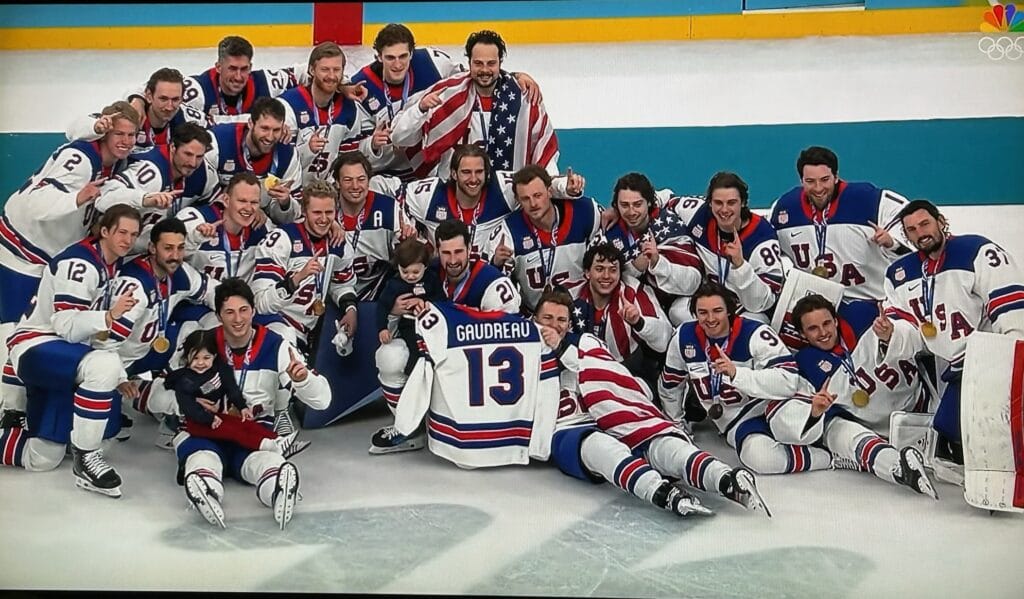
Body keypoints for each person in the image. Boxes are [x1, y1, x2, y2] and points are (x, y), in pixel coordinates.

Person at [538, 288, 769, 517]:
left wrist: (561, 347)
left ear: (570, 324)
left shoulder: (584, 343)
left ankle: (725, 478)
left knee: (663, 445)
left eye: (561, 320)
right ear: (534, 319)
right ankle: (661, 492)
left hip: (613, 413)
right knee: (600, 447)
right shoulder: (520, 352)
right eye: (547, 318)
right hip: (568, 427)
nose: (555, 325)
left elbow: (602, 370)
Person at [0, 206, 141, 498]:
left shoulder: (111, 265)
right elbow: (65, 325)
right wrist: (108, 316)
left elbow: (96, 337)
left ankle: (64, 444)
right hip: (38, 345)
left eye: (134, 234)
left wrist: (120, 373)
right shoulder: (81, 263)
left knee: (43, 458)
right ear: (104, 231)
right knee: (101, 366)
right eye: (122, 232)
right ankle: (85, 459)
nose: (128, 240)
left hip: (66, 359)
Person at [174, 278, 331, 530]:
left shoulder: (276, 346)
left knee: (268, 463)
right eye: (229, 312)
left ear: (254, 311)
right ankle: (206, 489)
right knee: (202, 458)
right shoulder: (200, 343)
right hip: (205, 432)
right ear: (218, 315)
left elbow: (323, 401)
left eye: (244, 310)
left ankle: (278, 490)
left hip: (251, 434)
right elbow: (168, 382)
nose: (238, 319)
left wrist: (302, 381)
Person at [884, 199, 1024, 469]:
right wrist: (890, 333)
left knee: (975, 428)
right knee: (949, 433)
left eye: (925, 224)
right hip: (950, 369)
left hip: (988, 358)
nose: (920, 233)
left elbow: (1009, 302)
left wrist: (1013, 356)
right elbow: (909, 331)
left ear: (940, 221)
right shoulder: (899, 274)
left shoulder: (975, 250)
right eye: (911, 229)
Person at [371, 218, 521, 454]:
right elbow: (392, 317)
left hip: (478, 373)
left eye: (459, 252)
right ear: (436, 250)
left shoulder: (492, 282)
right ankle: (409, 428)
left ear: (470, 249)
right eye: (446, 252)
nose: (452, 260)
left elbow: (511, 337)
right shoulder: (426, 270)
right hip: (436, 359)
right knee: (389, 356)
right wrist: (393, 311)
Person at [659, 282, 837, 476]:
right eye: (703, 312)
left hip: (777, 403)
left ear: (729, 310)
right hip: (738, 422)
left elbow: (787, 381)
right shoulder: (684, 338)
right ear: (695, 313)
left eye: (717, 310)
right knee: (759, 459)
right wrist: (676, 424)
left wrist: (737, 374)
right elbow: (671, 384)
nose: (710, 319)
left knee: (791, 427)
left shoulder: (755, 332)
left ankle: (828, 438)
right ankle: (829, 458)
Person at [0, 102, 139, 332]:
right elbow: (35, 202)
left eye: (131, 135)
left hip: (49, 257)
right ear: (105, 133)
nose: (126, 141)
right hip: (21, 253)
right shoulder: (80, 159)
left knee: (40, 330)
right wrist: (77, 198)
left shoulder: (117, 164)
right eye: (119, 134)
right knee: (13, 331)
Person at [352, 23, 541, 181]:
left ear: (412, 53)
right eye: (390, 58)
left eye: (403, 56)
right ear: (378, 56)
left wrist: (514, 76)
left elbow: (476, 73)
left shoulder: (432, 62)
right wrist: (373, 145)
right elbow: (354, 149)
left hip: (421, 170)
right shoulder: (361, 87)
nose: (398, 64)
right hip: (383, 171)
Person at [390, 300, 562, 468]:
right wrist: (540, 446)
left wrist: (404, 425)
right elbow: (548, 390)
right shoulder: (537, 335)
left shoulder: (440, 321)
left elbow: (422, 375)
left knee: (390, 358)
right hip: (512, 443)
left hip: (458, 443)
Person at [770, 146, 912, 326]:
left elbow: (917, 230)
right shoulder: (784, 208)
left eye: (825, 179)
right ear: (801, 180)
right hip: (817, 308)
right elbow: (766, 246)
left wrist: (892, 242)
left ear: (836, 176)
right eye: (810, 181)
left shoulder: (869, 199)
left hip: (870, 303)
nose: (818, 188)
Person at [374, 144, 584, 263]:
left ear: (487, 173)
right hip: (442, 274)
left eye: (478, 172)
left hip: (486, 274)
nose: (473, 179)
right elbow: (388, 188)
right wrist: (403, 223)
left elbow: (537, 183)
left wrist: (567, 187)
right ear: (453, 173)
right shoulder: (429, 194)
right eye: (466, 172)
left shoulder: (503, 188)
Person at [251, 180, 358, 354]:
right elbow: (261, 303)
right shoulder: (282, 239)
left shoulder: (339, 243)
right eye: (317, 212)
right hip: (272, 324)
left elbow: (342, 283)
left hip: (304, 331)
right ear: (304, 211)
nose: (324, 219)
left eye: (329, 212)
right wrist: (298, 277)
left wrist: (350, 309)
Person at [163, 329, 307, 456]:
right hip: (199, 423)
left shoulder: (219, 368)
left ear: (214, 356)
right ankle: (270, 447)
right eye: (195, 358)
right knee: (236, 432)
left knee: (247, 425)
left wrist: (242, 407)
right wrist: (208, 418)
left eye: (206, 358)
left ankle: (278, 441)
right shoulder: (185, 380)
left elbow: (232, 388)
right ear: (187, 357)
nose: (201, 363)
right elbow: (189, 407)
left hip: (218, 416)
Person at [672, 172, 785, 322]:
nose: (724, 210)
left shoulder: (762, 238)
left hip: (743, 308)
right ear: (710, 203)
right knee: (677, 311)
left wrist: (740, 266)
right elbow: (666, 200)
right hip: (709, 302)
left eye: (731, 203)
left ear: (743, 203)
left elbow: (764, 302)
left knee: (755, 322)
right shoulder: (697, 214)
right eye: (718, 203)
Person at [491, 165, 602, 312]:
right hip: (537, 317)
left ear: (550, 191)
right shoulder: (508, 232)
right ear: (517, 200)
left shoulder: (585, 212)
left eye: (538, 195)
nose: (533, 204)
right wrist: (496, 264)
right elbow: (496, 283)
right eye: (525, 199)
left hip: (582, 312)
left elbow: (610, 252)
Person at [95, 122, 220, 252]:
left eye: (199, 156)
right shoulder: (152, 171)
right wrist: (145, 199)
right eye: (187, 154)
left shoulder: (204, 175)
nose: (193, 163)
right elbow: (103, 198)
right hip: (107, 242)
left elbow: (215, 204)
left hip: (145, 246)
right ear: (172, 147)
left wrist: (198, 229)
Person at [601, 173, 705, 327]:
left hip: (682, 299)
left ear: (649, 202)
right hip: (645, 307)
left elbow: (693, 282)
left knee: (680, 313)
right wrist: (635, 267)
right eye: (624, 205)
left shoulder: (669, 225)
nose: (631, 212)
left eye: (637, 204)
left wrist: (657, 263)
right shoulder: (610, 231)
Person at [569, 242, 671, 396]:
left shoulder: (633, 293)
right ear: (587, 273)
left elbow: (664, 341)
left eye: (613, 270)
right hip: (581, 370)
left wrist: (639, 322)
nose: (606, 276)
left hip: (629, 370)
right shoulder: (571, 296)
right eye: (599, 269)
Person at [280, 42, 380, 184]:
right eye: (325, 69)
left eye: (336, 70)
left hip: (326, 192)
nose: (331, 76)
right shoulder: (288, 106)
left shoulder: (349, 109)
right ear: (311, 70)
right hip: (290, 192)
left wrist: (372, 144)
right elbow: (279, 160)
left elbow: (348, 159)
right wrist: (307, 150)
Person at [205, 97, 304, 225]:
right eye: (265, 128)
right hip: (216, 219)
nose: (270, 137)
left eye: (276, 130)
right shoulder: (218, 141)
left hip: (257, 224)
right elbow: (203, 195)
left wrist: (285, 203)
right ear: (251, 123)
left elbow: (289, 219)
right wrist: (247, 208)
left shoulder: (288, 155)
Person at [65, 68, 207, 153]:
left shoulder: (188, 119)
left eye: (176, 99)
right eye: (163, 99)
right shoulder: (127, 116)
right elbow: (71, 131)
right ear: (149, 96)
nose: (170, 106)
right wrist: (95, 127)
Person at [330, 151, 412, 300]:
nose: (355, 186)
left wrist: (406, 243)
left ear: (369, 180)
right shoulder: (326, 211)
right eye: (348, 180)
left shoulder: (388, 207)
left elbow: (402, 256)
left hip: (378, 292)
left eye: (361, 179)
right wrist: (329, 222)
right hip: (334, 292)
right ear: (337, 182)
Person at [177, 172, 271, 284]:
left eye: (254, 202)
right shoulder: (197, 219)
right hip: (195, 299)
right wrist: (194, 238)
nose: (248, 208)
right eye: (242, 201)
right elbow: (167, 255)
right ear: (226, 200)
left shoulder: (263, 228)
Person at [376, 237, 445, 375]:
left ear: (425, 266)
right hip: (408, 325)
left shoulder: (431, 279)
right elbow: (382, 306)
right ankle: (413, 377)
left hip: (432, 326)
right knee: (414, 351)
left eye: (415, 272)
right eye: (405, 271)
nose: (410, 276)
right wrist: (382, 328)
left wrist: (427, 303)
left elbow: (442, 301)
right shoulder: (394, 285)